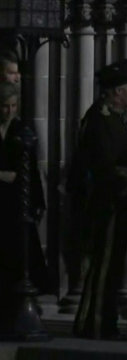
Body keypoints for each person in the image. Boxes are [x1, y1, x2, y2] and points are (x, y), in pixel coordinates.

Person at [73, 59, 127, 340]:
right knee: (104, 266)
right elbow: (103, 167)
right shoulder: (99, 119)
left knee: (115, 266)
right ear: (117, 90)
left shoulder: (119, 119)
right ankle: (94, 324)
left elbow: (124, 161)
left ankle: (106, 322)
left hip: (120, 203)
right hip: (105, 204)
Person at [0, 82, 48, 317]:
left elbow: (32, 169)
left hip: (17, 202)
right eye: (4, 106)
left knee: (18, 256)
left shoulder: (21, 130)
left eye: (13, 106)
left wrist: (38, 203)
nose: (9, 111)